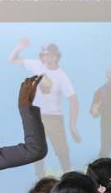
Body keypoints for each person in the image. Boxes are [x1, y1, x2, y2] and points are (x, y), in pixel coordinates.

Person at [10, 39, 79, 176]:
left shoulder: (61, 75)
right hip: (37, 115)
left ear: (57, 56)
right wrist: (20, 46)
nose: (48, 58)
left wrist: (72, 125)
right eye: (45, 55)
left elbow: (73, 100)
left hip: (54, 117)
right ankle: (40, 178)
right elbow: (12, 59)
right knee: (36, 148)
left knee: (62, 150)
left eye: (51, 55)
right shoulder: (37, 65)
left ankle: (68, 176)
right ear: (42, 56)